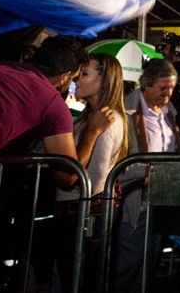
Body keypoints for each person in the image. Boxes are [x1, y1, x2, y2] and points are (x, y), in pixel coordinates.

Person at [0, 35, 87, 258]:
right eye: (75, 77)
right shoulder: (52, 103)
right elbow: (68, 175)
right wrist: (93, 132)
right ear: (63, 77)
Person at [55, 53, 128, 291]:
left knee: (80, 280)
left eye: (84, 74)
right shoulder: (89, 115)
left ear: (104, 80)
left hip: (86, 215)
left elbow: (95, 180)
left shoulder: (109, 119)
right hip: (77, 211)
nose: (77, 79)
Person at [114, 59, 180, 293]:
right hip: (136, 194)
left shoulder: (169, 112)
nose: (168, 93)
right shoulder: (127, 111)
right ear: (147, 85)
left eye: (172, 87)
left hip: (163, 194)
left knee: (152, 252)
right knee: (130, 254)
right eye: (163, 87)